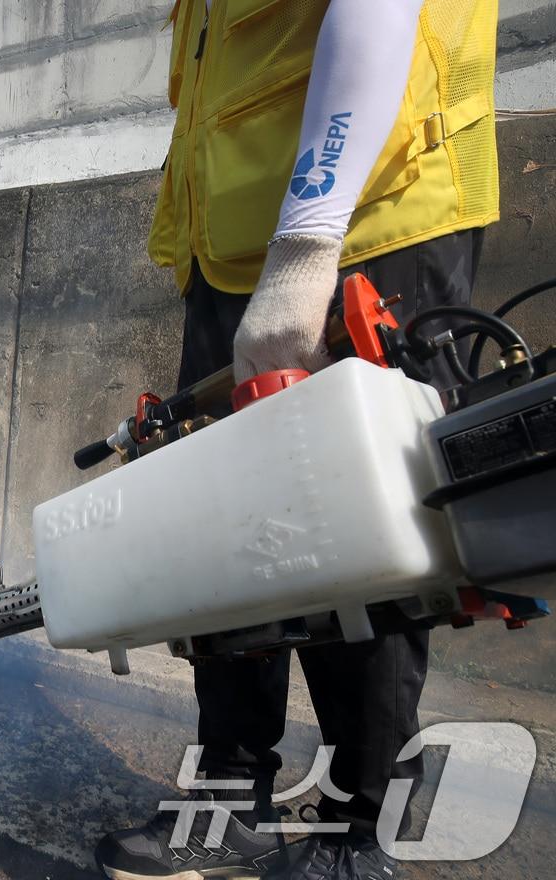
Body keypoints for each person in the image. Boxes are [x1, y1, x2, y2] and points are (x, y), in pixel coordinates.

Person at [94, 1, 498, 878]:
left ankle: (368, 830)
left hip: (368, 223)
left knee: (362, 534)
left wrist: (309, 244)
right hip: (237, 256)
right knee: (232, 539)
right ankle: (228, 798)